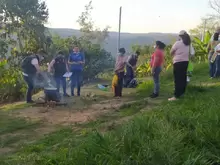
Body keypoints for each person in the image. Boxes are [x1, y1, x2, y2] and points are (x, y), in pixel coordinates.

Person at [169, 30, 195, 101]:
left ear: (180, 36)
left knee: (177, 79)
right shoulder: (189, 44)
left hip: (178, 63)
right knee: (183, 79)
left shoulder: (177, 43)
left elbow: (171, 52)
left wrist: (175, 55)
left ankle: (176, 96)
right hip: (186, 63)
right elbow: (192, 54)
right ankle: (182, 93)